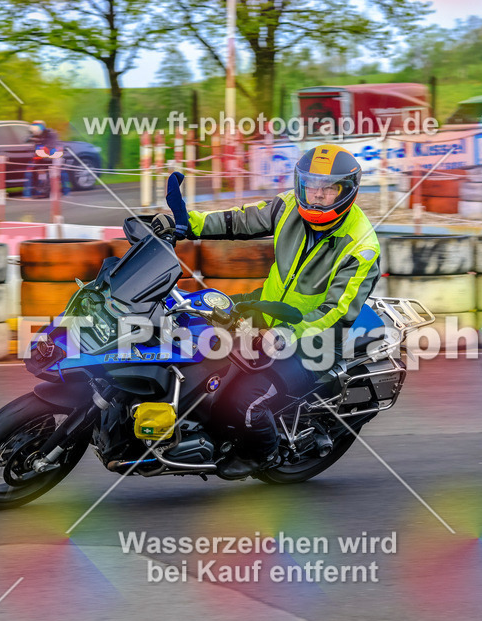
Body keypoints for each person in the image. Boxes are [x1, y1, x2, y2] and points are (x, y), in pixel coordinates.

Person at [152, 144, 381, 480]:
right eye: (310, 186)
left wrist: (286, 334)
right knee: (194, 336)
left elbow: (337, 312)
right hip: (267, 313)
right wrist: (187, 224)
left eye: (327, 188)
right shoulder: (289, 206)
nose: (316, 196)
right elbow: (240, 221)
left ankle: (259, 453)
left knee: (243, 400)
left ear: (346, 192)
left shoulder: (361, 247)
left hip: (312, 343)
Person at [24, 120, 70, 198]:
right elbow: (26, 140)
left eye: (37, 126)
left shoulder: (51, 134)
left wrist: (41, 144)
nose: (35, 129)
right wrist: (33, 139)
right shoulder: (36, 135)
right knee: (31, 173)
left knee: (62, 173)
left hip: (54, 156)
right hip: (41, 158)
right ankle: (32, 193)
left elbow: (50, 145)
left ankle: (66, 192)